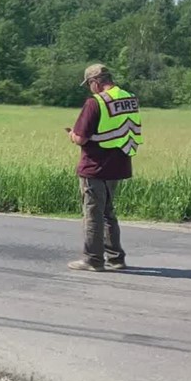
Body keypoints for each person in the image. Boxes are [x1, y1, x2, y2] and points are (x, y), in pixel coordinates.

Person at [66, 64, 142, 272]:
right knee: (108, 212)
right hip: (118, 165)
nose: (90, 88)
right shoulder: (129, 98)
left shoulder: (95, 102)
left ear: (95, 82)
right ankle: (116, 258)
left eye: (89, 84)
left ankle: (93, 259)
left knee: (92, 213)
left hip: (95, 165)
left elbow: (81, 138)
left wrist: (71, 135)